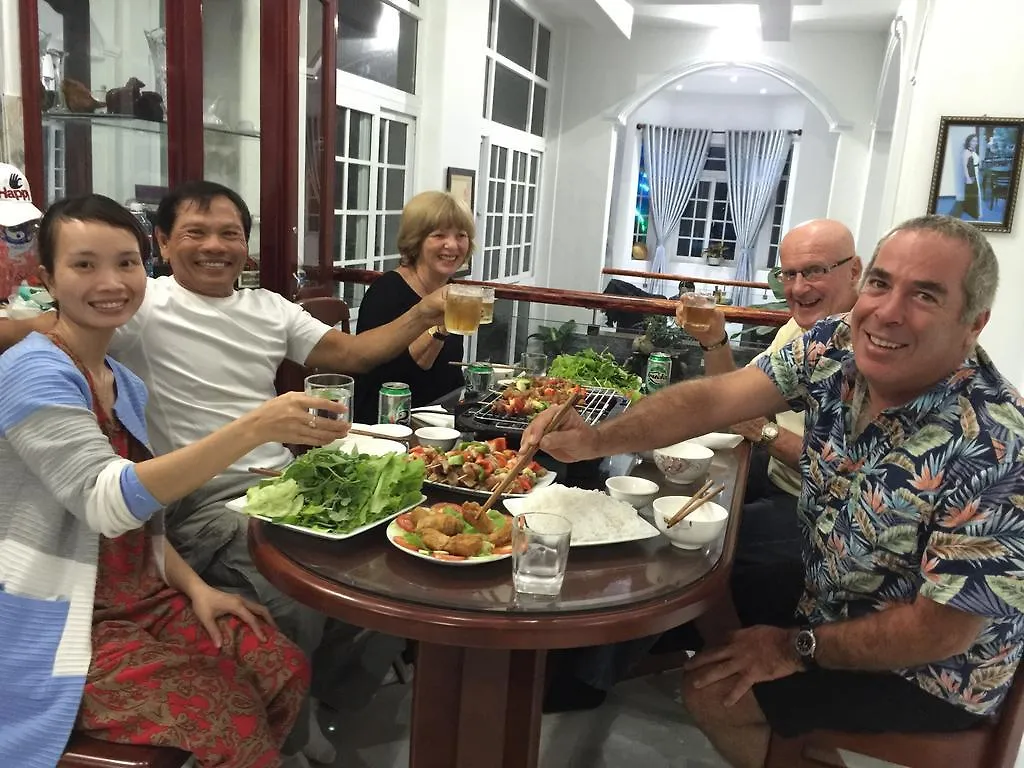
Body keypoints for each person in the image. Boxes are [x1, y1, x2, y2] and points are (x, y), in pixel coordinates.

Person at [524, 215, 1024, 767]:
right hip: (831, 599)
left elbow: (942, 631)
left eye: (925, 295)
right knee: (695, 581)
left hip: (932, 674)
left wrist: (795, 647)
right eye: (880, 283)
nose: (887, 311)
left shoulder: (997, 447)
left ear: (973, 323)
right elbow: (714, 400)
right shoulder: (835, 343)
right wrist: (596, 440)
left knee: (715, 688)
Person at [0, 179, 448, 764]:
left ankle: (319, 699)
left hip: (188, 535)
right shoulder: (112, 327)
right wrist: (257, 425)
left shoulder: (125, 377)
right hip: (101, 573)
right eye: (84, 265)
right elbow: (105, 499)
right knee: (284, 599)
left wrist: (430, 312)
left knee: (398, 563)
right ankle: (294, 725)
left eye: (229, 233)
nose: (110, 283)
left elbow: (354, 354)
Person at [680, 219, 860, 568]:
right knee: (682, 492)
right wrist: (714, 338)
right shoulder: (801, 327)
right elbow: (730, 397)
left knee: (702, 541)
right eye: (788, 274)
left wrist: (763, 432)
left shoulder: (869, 348)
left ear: (854, 270)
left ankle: (721, 623)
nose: (798, 288)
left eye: (814, 271)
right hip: (776, 474)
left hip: (824, 508)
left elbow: (845, 472)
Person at [352, 190, 471, 423]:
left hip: (440, 421)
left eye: (461, 235)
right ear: (416, 240)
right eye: (439, 235)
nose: (452, 245)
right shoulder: (386, 292)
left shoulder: (453, 290)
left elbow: (449, 376)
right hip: (388, 423)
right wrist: (440, 327)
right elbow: (400, 380)